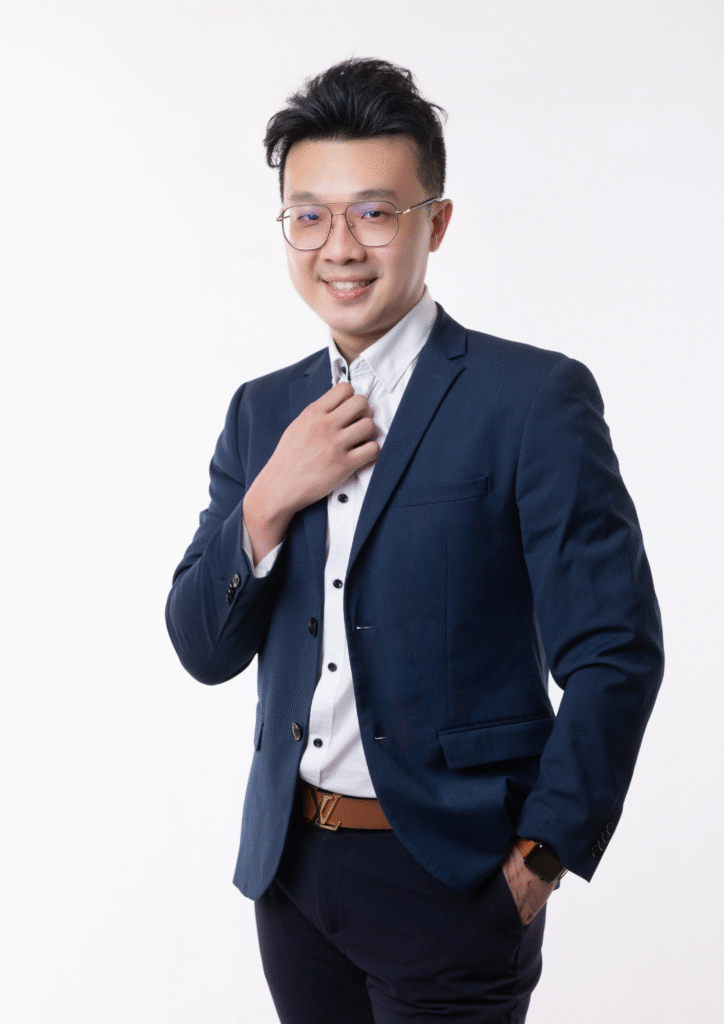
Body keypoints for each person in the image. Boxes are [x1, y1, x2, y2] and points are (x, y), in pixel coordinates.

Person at [165, 57, 664, 1024]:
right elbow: (201, 646)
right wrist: (269, 498)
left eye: (374, 212)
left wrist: (541, 858)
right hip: (291, 876)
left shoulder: (531, 400)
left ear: (435, 223)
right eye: (309, 215)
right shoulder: (261, 412)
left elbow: (615, 651)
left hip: (454, 879)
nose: (339, 246)